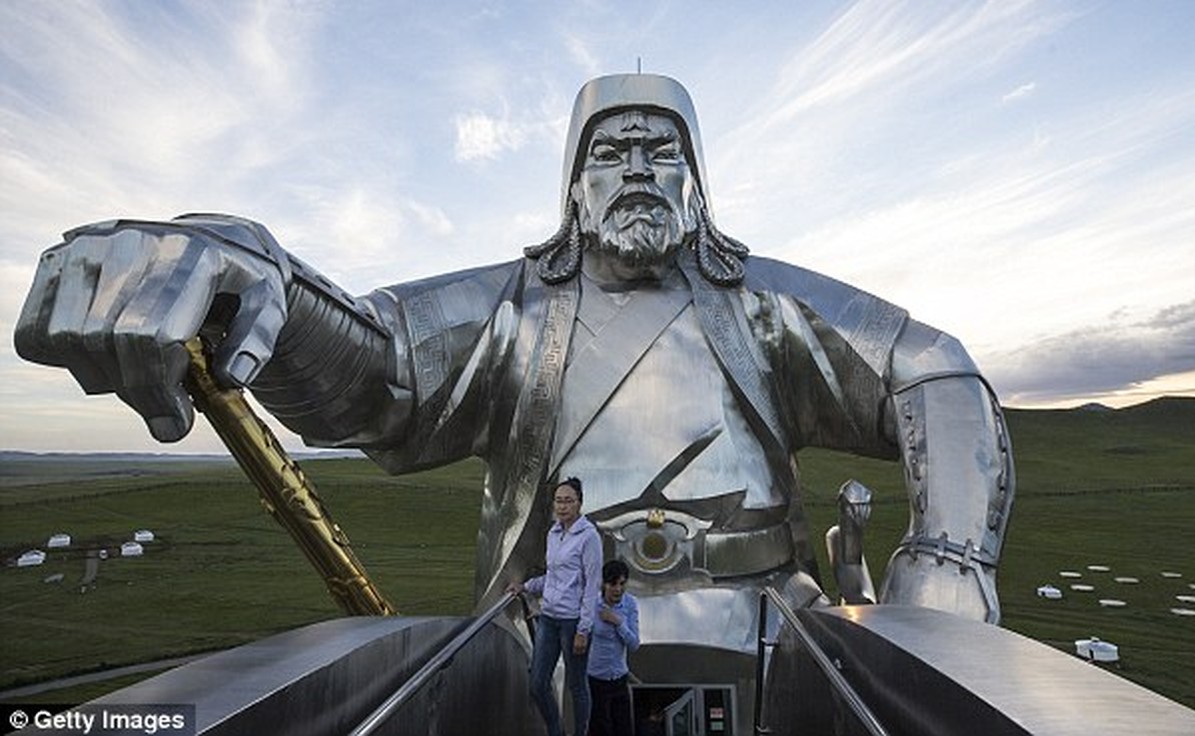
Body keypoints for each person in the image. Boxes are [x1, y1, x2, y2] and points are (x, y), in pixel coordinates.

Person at [14, 74, 1015, 670]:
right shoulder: (512, 309)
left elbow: (930, 368)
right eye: (609, 149)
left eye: (660, 150)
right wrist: (259, 284)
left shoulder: (762, 304)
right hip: (546, 648)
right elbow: (372, 372)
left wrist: (951, 554)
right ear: (571, 187)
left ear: (698, 184)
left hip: (777, 639)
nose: (634, 165)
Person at [510, 477, 602, 736]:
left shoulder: (588, 537)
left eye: (568, 501)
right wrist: (526, 586)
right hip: (549, 618)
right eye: (559, 501)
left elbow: (591, 586)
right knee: (538, 683)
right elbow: (554, 576)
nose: (562, 507)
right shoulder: (554, 532)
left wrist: (584, 629)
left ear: (579, 504)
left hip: (573, 622)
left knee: (576, 685)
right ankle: (556, 730)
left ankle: (581, 732)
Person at [587, 559, 639, 736]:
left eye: (622, 584)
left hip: (618, 677)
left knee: (623, 728)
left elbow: (634, 644)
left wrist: (618, 622)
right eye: (613, 584)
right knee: (599, 728)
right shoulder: (592, 603)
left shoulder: (630, 604)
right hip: (596, 678)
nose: (618, 589)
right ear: (604, 584)